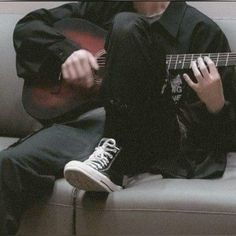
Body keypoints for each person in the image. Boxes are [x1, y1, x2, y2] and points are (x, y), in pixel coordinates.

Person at [0, 1, 234, 235]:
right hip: (92, 125)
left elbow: (221, 138)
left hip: (154, 135)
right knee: (10, 163)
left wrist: (216, 105)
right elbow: (28, 27)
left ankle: (112, 156)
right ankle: (107, 153)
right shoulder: (102, 8)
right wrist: (68, 53)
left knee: (126, 23)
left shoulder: (200, 31)